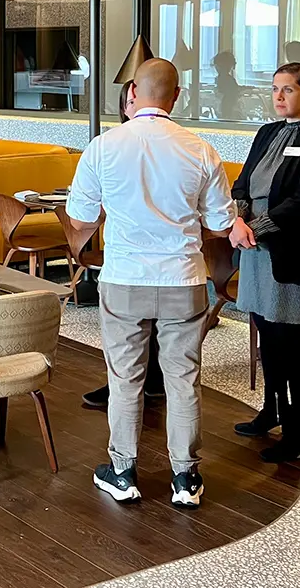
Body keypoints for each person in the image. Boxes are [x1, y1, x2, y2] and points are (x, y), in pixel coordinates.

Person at [67, 58, 235, 509]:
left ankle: (122, 471)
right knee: (183, 380)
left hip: (123, 278)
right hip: (183, 278)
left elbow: (81, 217)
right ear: (176, 96)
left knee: (125, 379)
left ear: (133, 94)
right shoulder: (201, 150)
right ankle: (186, 478)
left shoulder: (102, 147)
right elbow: (222, 223)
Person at [228, 63, 300, 463]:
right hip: (255, 247)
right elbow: (242, 182)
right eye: (275, 89)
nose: (278, 97)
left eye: (288, 90)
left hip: (292, 249)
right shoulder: (267, 132)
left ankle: (299, 429)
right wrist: (238, 219)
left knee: (293, 342)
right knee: (266, 333)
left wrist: (254, 227)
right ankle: (271, 411)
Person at [81, 80, 165, 409]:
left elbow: (81, 217)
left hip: (137, 257)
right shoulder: (114, 146)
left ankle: (124, 454)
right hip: (165, 260)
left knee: (130, 334)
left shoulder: (110, 146)